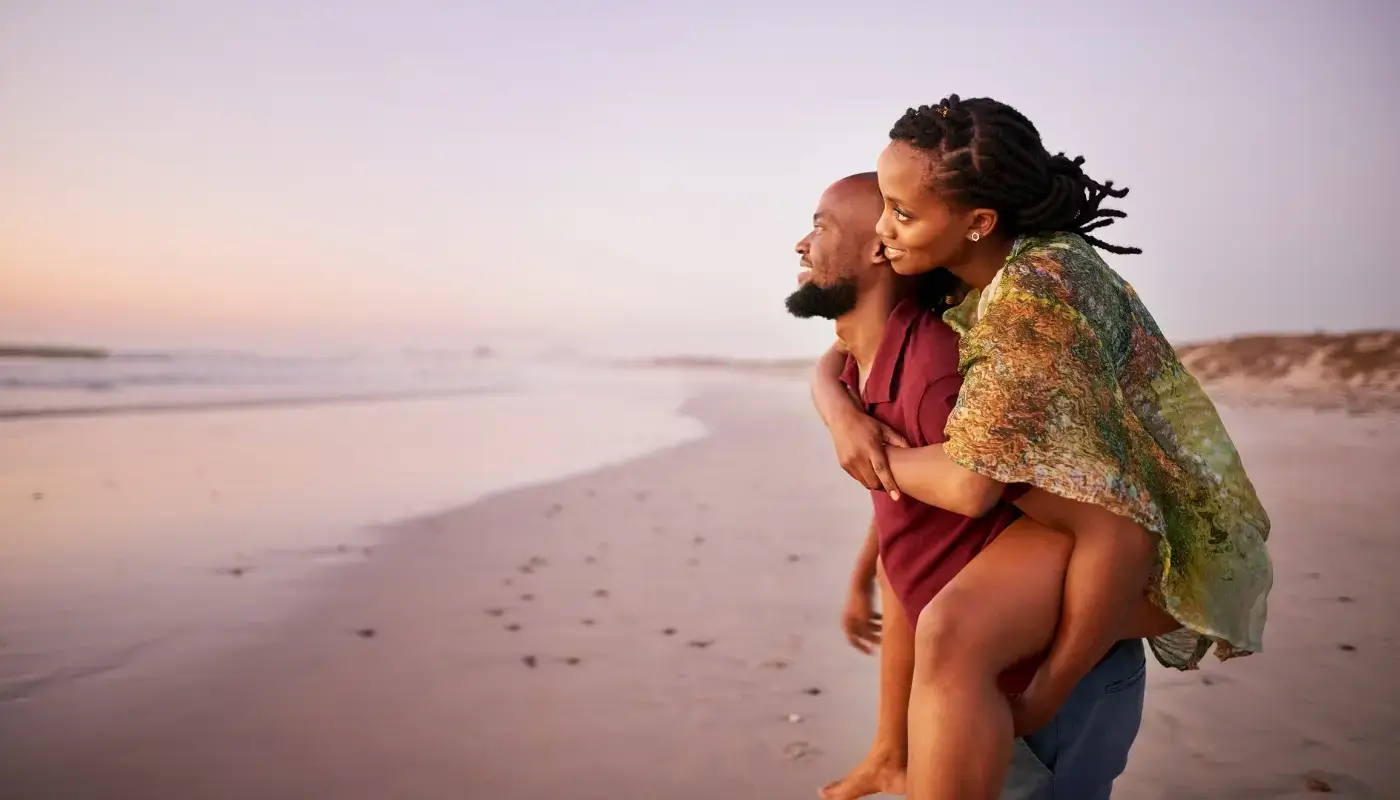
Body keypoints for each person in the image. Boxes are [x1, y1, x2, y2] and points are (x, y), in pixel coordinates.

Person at [809, 97, 1274, 800]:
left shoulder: (1037, 298)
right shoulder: (975, 275)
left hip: (1154, 541)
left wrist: (1050, 690)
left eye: (901, 213)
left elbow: (1013, 498)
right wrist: (841, 412)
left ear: (979, 221)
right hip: (1081, 534)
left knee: (953, 632)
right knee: (949, 631)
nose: (882, 232)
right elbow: (838, 352)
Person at [788, 172, 1164, 800]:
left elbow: (1103, 521)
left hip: (1034, 694)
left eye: (821, 226)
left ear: (880, 247)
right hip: (977, 685)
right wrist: (867, 566)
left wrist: (1049, 690)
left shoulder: (941, 375)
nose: (801, 244)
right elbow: (915, 514)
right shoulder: (864, 361)